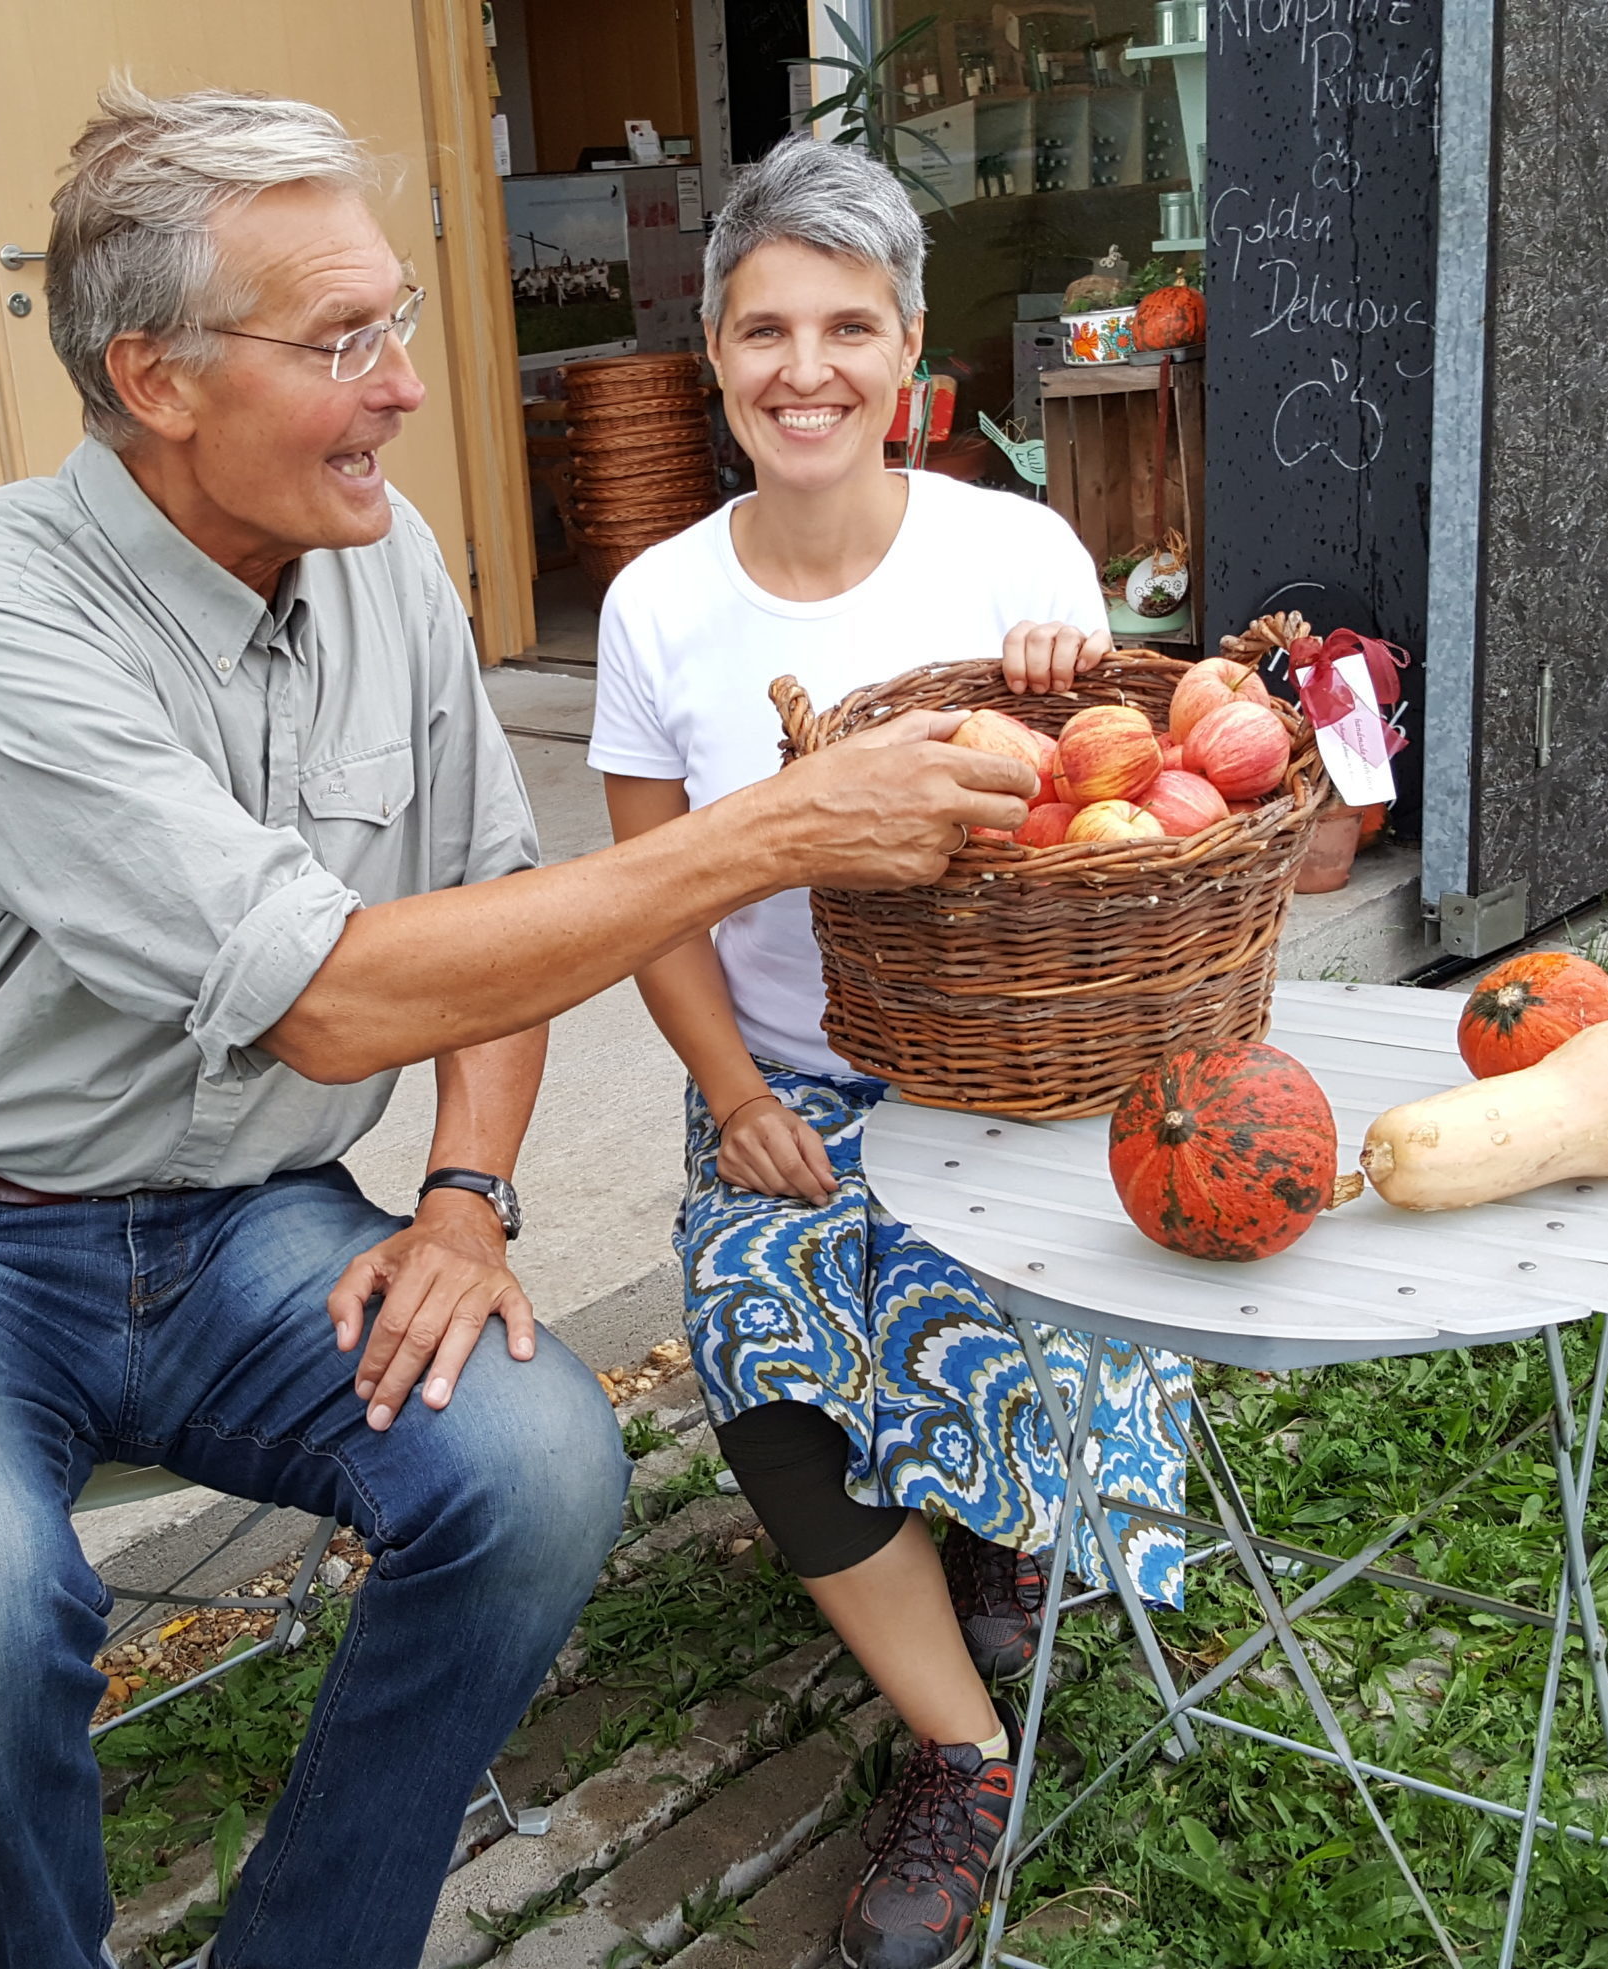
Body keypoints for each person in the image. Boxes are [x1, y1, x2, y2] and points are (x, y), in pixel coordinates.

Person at [0, 89, 1039, 1969]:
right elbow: (344, 991)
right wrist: (771, 826)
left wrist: (464, 1195)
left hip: (239, 1221)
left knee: (536, 1469)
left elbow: (490, 924)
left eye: (399, 328)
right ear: (159, 378)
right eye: (344, 341)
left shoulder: (384, 562)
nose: (409, 388)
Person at [585, 138, 1200, 1969]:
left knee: (1031, 1281)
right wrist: (738, 1095)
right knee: (760, 1312)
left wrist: (1064, 694)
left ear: (909, 345)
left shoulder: (1015, 550)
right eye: (765, 327)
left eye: (848, 324)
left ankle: (1008, 1525)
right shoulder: (656, 610)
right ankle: (962, 1746)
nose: (807, 368)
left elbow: (1127, 835)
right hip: (793, 1081)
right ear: (713, 353)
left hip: (1010, 1074)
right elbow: (647, 902)